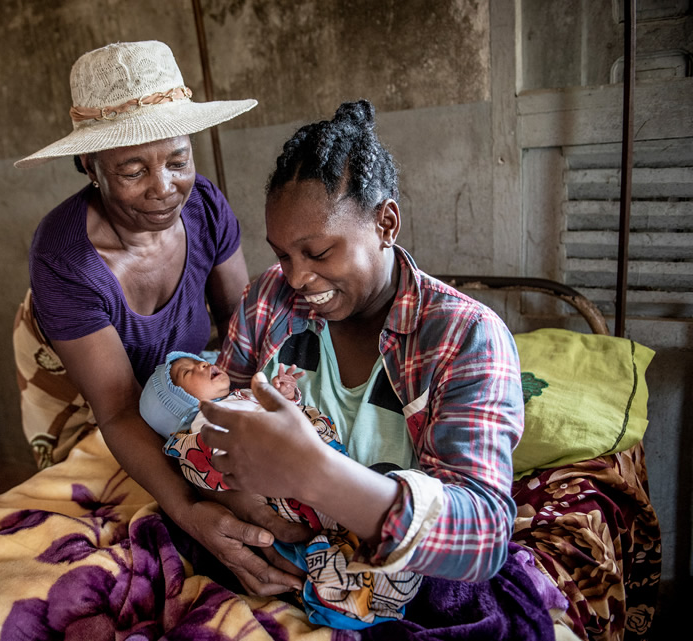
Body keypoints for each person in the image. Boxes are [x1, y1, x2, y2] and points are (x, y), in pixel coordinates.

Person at [12, 40, 309, 597]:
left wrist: (263, 428)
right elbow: (118, 408)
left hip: (177, 379)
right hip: (72, 376)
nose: (164, 186)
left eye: (178, 160)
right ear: (89, 166)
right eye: (132, 169)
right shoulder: (64, 258)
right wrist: (188, 507)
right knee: (79, 479)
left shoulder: (206, 209)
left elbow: (245, 331)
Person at [204, 100, 525, 587]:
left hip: (395, 582)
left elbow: (481, 537)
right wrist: (252, 519)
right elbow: (214, 414)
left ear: (386, 224)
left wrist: (315, 473)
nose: (297, 277)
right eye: (282, 255)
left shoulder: (464, 337)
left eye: (317, 252)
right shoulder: (267, 299)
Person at [139, 351, 423, 629]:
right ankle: (349, 592)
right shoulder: (205, 425)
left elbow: (288, 418)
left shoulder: (244, 396)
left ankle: (384, 568)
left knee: (367, 520)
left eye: (198, 360)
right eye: (187, 372)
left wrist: (286, 395)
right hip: (290, 497)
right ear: (180, 405)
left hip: (323, 467)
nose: (202, 364)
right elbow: (210, 465)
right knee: (312, 550)